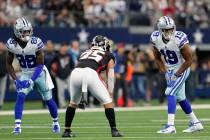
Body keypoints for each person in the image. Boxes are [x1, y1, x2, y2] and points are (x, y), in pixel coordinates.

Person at [5, 17, 60, 134]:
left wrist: (31, 80)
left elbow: (40, 65)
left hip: (39, 72)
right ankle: (17, 126)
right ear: (17, 31)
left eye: (28, 30)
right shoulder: (11, 44)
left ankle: (55, 122)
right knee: (20, 95)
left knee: (48, 99)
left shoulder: (36, 42)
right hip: (25, 72)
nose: (27, 33)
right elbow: (8, 64)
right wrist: (15, 80)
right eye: (23, 31)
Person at [62, 35, 122, 137]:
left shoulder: (84, 52)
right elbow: (110, 76)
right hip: (90, 73)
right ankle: (114, 130)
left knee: (72, 103)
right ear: (105, 46)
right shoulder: (108, 55)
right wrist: (110, 91)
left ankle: (67, 131)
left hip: (75, 73)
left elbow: (81, 64)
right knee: (107, 102)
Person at [151, 16, 203, 133]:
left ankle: (170, 126)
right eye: (166, 29)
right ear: (160, 29)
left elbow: (189, 60)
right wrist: (164, 72)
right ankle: (196, 123)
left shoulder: (179, 38)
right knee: (180, 98)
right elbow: (157, 58)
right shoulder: (155, 38)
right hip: (170, 69)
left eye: (171, 29)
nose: (169, 31)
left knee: (170, 92)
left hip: (182, 68)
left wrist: (177, 74)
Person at [0, 42, 7, 110]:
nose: (1, 47)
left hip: (3, 75)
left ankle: (0, 105)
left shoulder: (5, 55)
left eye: (1, 45)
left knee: (2, 91)